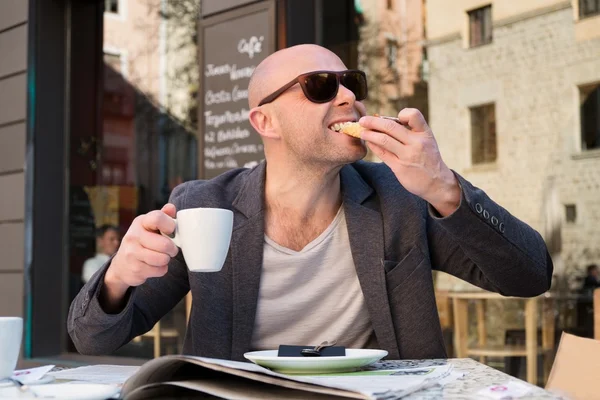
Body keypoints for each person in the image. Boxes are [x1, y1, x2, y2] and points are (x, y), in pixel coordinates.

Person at [68, 44, 553, 361]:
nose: (348, 98)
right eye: (321, 86)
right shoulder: (201, 206)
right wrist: (116, 280)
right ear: (265, 122)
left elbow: (530, 277)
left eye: (352, 84)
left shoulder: (400, 198)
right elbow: (92, 338)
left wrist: (444, 187)